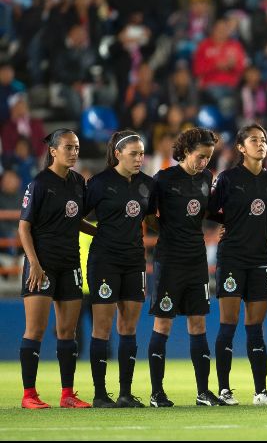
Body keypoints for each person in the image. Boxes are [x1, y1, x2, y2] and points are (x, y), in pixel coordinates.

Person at [146, 128, 224, 407]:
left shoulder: (206, 178)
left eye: (208, 158)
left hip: (196, 259)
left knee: (198, 321)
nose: (204, 162)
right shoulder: (163, 179)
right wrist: (168, 229)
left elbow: (207, 211)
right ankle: (157, 393)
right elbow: (149, 216)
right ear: (185, 151)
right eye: (200, 156)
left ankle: (203, 392)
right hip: (169, 259)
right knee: (163, 323)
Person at [18, 129, 95, 409]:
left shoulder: (77, 182)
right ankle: (29, 395)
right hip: (43, 264)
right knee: (35, 330)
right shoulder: (39, 184)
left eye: (76, 147)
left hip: (69, 264)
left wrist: (101, 233)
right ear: (53, 151)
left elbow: (75, 221)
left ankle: (67, 394)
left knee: (68, 332)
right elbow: (24, 227)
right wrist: (35, 265)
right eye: (68, 147)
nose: (74, 152)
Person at [210, 124, 267, 406]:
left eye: (263, 139)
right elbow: (208, 207)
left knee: (255, 327)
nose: (260, 144)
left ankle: (260, 392)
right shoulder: (227, 178)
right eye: (253, 140)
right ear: (240, 147)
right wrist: (226, 225)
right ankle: (224, 389)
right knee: (228, 323)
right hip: (232, 258)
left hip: (259, 258)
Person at [84, 130, 154, 408]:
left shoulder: (148, 184)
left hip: (135, 260)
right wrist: (99, 234)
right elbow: (75, 216)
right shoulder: (99, 184)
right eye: (133, 153)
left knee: (128, 328)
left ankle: (125, 393)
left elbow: (154, 218)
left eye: (141, 153)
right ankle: (100, 394)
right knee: (102, 328)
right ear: (118, 154)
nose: (139, 159)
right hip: (104, 261)